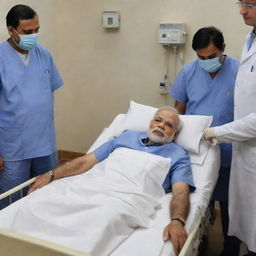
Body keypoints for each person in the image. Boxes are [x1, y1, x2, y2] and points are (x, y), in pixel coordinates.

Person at [29, 106, 195, 255]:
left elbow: (181, 191)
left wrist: (177, 220)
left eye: (169, 125)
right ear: (150, 123)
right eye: (157, 120)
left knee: (101, 220)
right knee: (42, 203)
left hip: (124, 199)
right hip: (90, 187)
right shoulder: (126, 137)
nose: (161, 125)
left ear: (176, 134)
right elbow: (85, 161)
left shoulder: (178, 155)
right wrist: (51, 175)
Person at [169, 26, 240, 256]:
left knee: (230, 203)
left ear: (223, 49)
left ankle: (230, 245)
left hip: (229, 148)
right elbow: (178, 109)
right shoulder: (189, 71)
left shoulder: (239, 71)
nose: (206, 61)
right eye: (201, 57)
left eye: (212, 57)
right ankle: (200, 239)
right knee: (200, 200)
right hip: (197, 148)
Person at [204, 1, 256, 256]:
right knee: (246, 214)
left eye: (250, 4)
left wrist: (216, 132)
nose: (242, 10)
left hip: (248, 141)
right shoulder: (251, 37)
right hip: (244, 147)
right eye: (241, 3)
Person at [0, 5, 63, 209]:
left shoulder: (43, 54)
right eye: (28, 32)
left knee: (46, 198)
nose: (34, 36)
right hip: (13, 147)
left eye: (37, 30)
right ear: (11, 30)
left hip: (44, 142)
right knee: (12, 202)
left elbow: (46, 94)